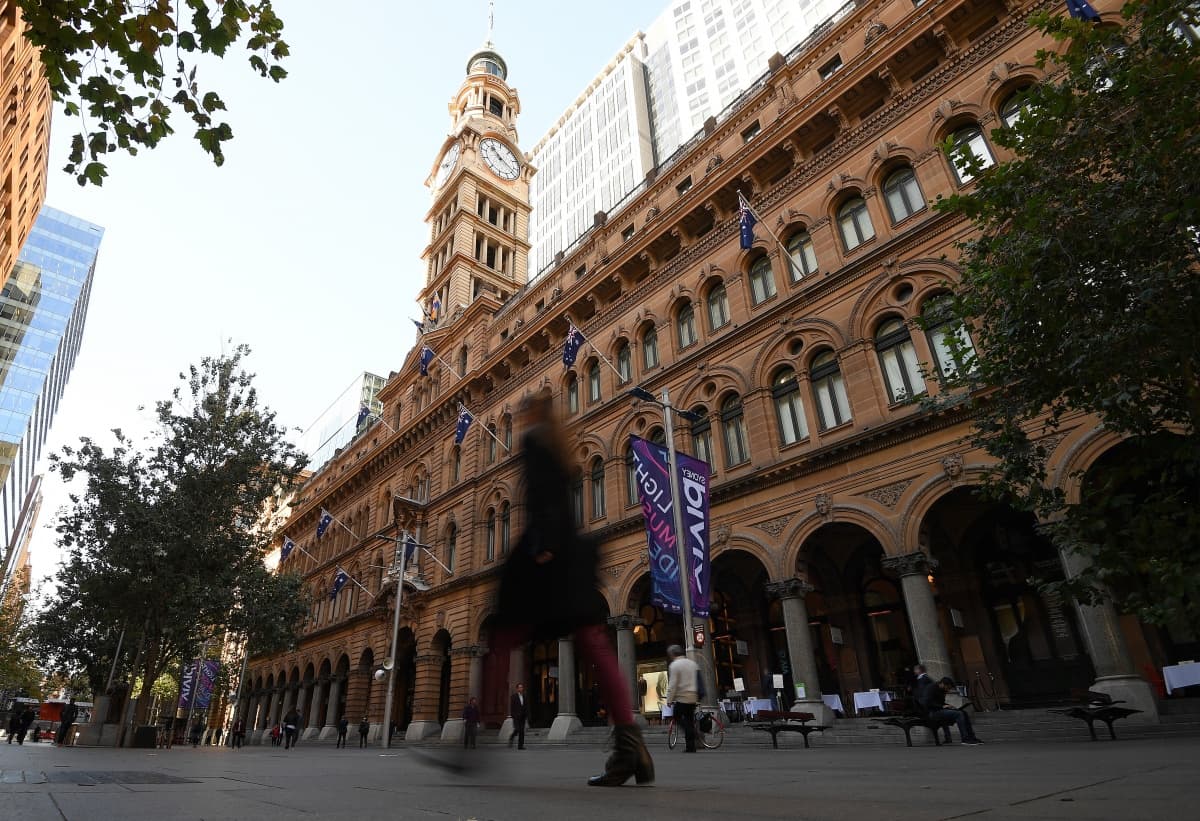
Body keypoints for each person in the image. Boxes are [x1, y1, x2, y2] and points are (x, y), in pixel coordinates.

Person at [487, 389, 654, 787]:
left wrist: (540, 548)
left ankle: (477, 739)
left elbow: (545, 500)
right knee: (592, 642)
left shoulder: (535, 442)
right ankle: (633, 750)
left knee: (499, 634)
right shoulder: (559, 443)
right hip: (569, 556)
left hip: (544, 558)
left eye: (519, 416)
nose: (517, 424)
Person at [914, 664, 983, 745]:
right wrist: (943, 706)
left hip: (939, 710)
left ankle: (972, 737)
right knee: (959, 714)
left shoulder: (941, 690)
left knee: (964, 713)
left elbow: (939, 702)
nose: (948, 690)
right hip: (932, 712)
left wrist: (948, 706)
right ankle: (965, 739)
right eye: (948, 687)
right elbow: (926, 702)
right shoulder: (931, 688)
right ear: (943, 684)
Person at [666, 645, 701, 753]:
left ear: (672, 654)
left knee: (677, 717)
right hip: (693, 696)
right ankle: (690, 747)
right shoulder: (692, 663)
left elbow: (673, 684)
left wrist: (669, 699)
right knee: (689, 720)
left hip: (682, 697)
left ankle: (693, 732)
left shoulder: (675, 665)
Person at [508, 683, 528, 749]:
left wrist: (526, 716)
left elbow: (526, 707)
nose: (521, 688)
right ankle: (512, 737)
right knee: (517, 729)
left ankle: (520, 746)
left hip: (523, 716)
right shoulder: (513, 697)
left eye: (522, 687)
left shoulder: (524, 696)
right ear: (517, 689)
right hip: (516, 717)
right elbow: (512, 707)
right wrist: (513, 715)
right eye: (519, 687)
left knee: (522, 731)